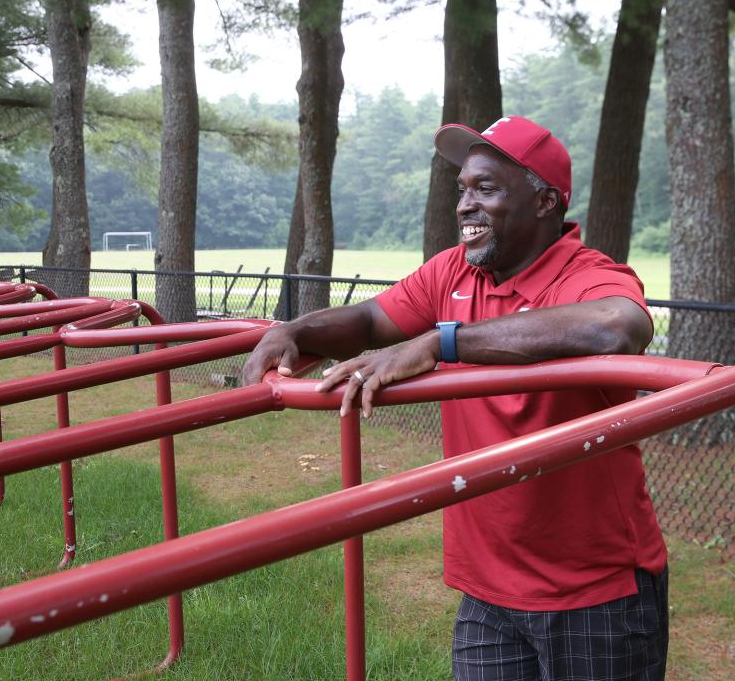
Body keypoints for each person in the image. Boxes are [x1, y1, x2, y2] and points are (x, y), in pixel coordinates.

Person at [242, 116, 668, 681]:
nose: (465, 205)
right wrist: (295, 331)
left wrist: (443, 341)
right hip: (487, 586)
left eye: (486, 189)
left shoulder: (585, 275)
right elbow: (372, 319)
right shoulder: (451, 272)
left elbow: (617, 327)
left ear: (544, 202)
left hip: (593, 588)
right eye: (462, 190)